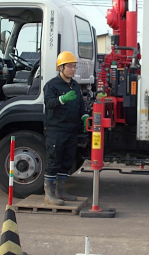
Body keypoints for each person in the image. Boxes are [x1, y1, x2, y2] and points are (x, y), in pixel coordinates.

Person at [43, 51, 88, 206]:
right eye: (69, 66)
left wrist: (84, 116)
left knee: (67, 160)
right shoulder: (52, 85)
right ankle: (49, 194)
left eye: (74, 66)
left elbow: (80, 104)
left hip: (71, 130)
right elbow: (48, 103)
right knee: (53, 160)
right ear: (60, 67)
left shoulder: (74, 85)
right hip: (56, 130)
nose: (73, 69)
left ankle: (61, 191)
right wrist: (62, 99)